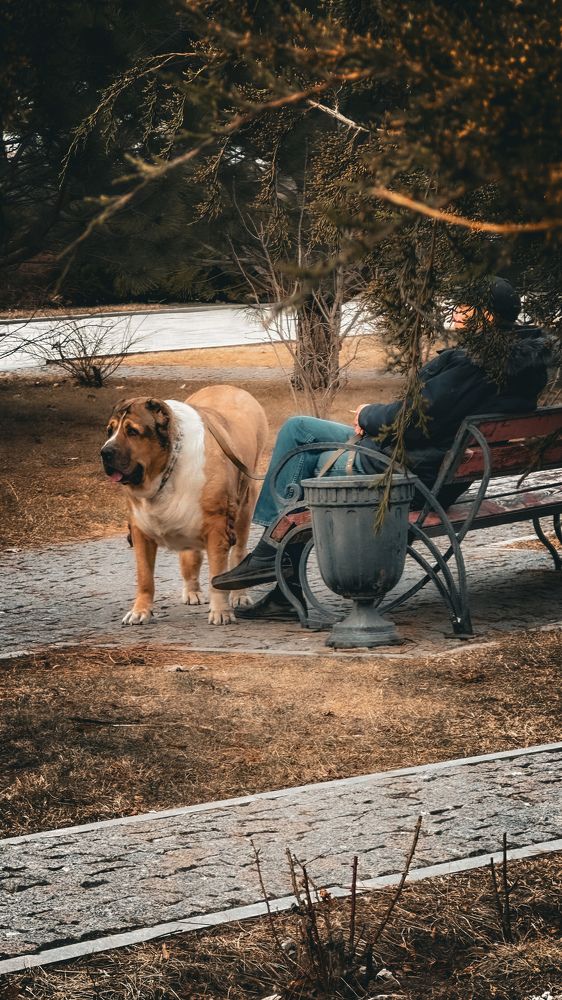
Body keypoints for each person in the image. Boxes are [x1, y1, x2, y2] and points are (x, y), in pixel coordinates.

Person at [212, 277, 554, 604]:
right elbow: (434, 416)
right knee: (302, 438)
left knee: (300, 438)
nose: (457, 310)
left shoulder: (475, 364)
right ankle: (278, 572)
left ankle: (271, 554)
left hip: (408, 473)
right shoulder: (520, 362)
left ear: (488, 316)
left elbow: (416, 420)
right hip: (445, 472)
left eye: (466, 306)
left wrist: (367, 416)